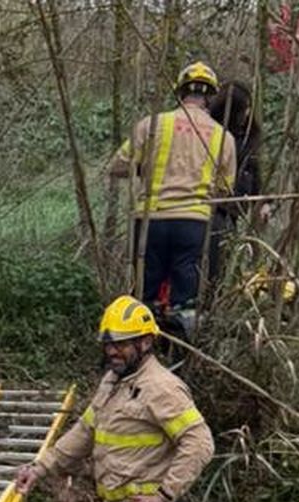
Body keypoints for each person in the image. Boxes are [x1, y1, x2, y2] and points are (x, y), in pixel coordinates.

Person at [13, 297, 214, 502]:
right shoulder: (112, 381)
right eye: (108, 344)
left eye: (120, 344)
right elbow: (84, 431)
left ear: (145, 342)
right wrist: (40, 468)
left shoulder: (161, 388)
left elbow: (200, 443)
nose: (111, 352)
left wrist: (164, 497)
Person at [110, 61, 237, 341]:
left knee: (144, 296)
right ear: (210, 97)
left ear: (179, 93)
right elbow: (226, 189)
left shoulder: (152, 124)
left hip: (150, 222)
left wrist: (148, 169)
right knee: (185, 302)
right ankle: (180, 353)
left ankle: (137, 348)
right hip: (195, 224)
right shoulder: (223, 138)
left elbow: (118, 166)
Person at [206, 79, 262, 290]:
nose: (247, 113)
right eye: (244, 108)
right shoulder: (215, 133)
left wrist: (261, 200)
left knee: (225, 259)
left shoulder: (248, 136)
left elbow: (254, 170)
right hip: (215, 208)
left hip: (235, 208)